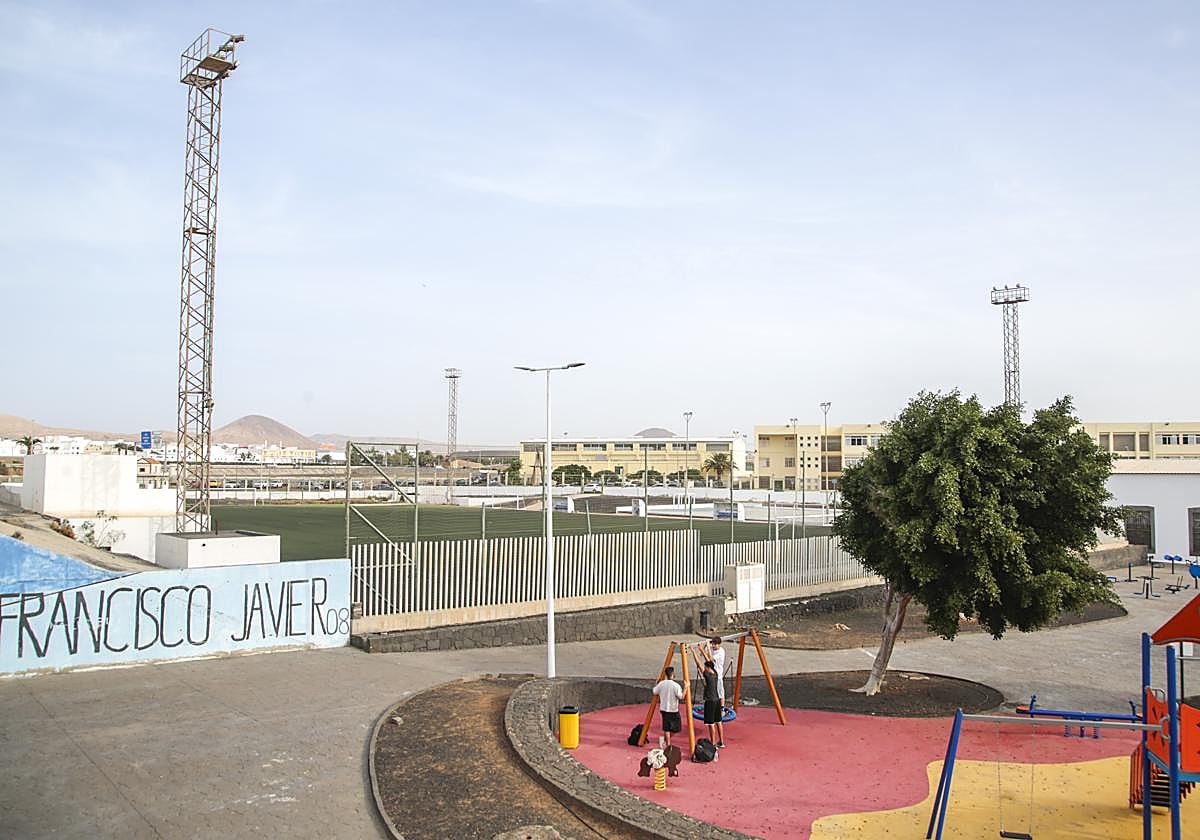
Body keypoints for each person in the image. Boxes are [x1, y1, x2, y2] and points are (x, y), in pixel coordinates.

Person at [652, 666, 685, 748]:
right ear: (673, 674)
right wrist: (686, 687)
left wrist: (656, 683)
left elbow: (654, 691)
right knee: (676, 728)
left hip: (664, 708)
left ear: (665, 674)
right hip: (673, 709)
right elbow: (681, 697)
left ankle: (667, 743)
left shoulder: (661, 684)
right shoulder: (676, 685)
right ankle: (667, 742)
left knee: (666, 727)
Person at [702, 659, 724, 748]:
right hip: (717, 700)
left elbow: (699, 665)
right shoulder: (715, 673)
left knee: (711, 724)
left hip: (710, 701)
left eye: (705, 667)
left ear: (707, 668)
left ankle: (713, 743)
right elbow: (709, 661)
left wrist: (693, 651)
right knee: (718, 721)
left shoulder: (707, 674)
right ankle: (721, 742)